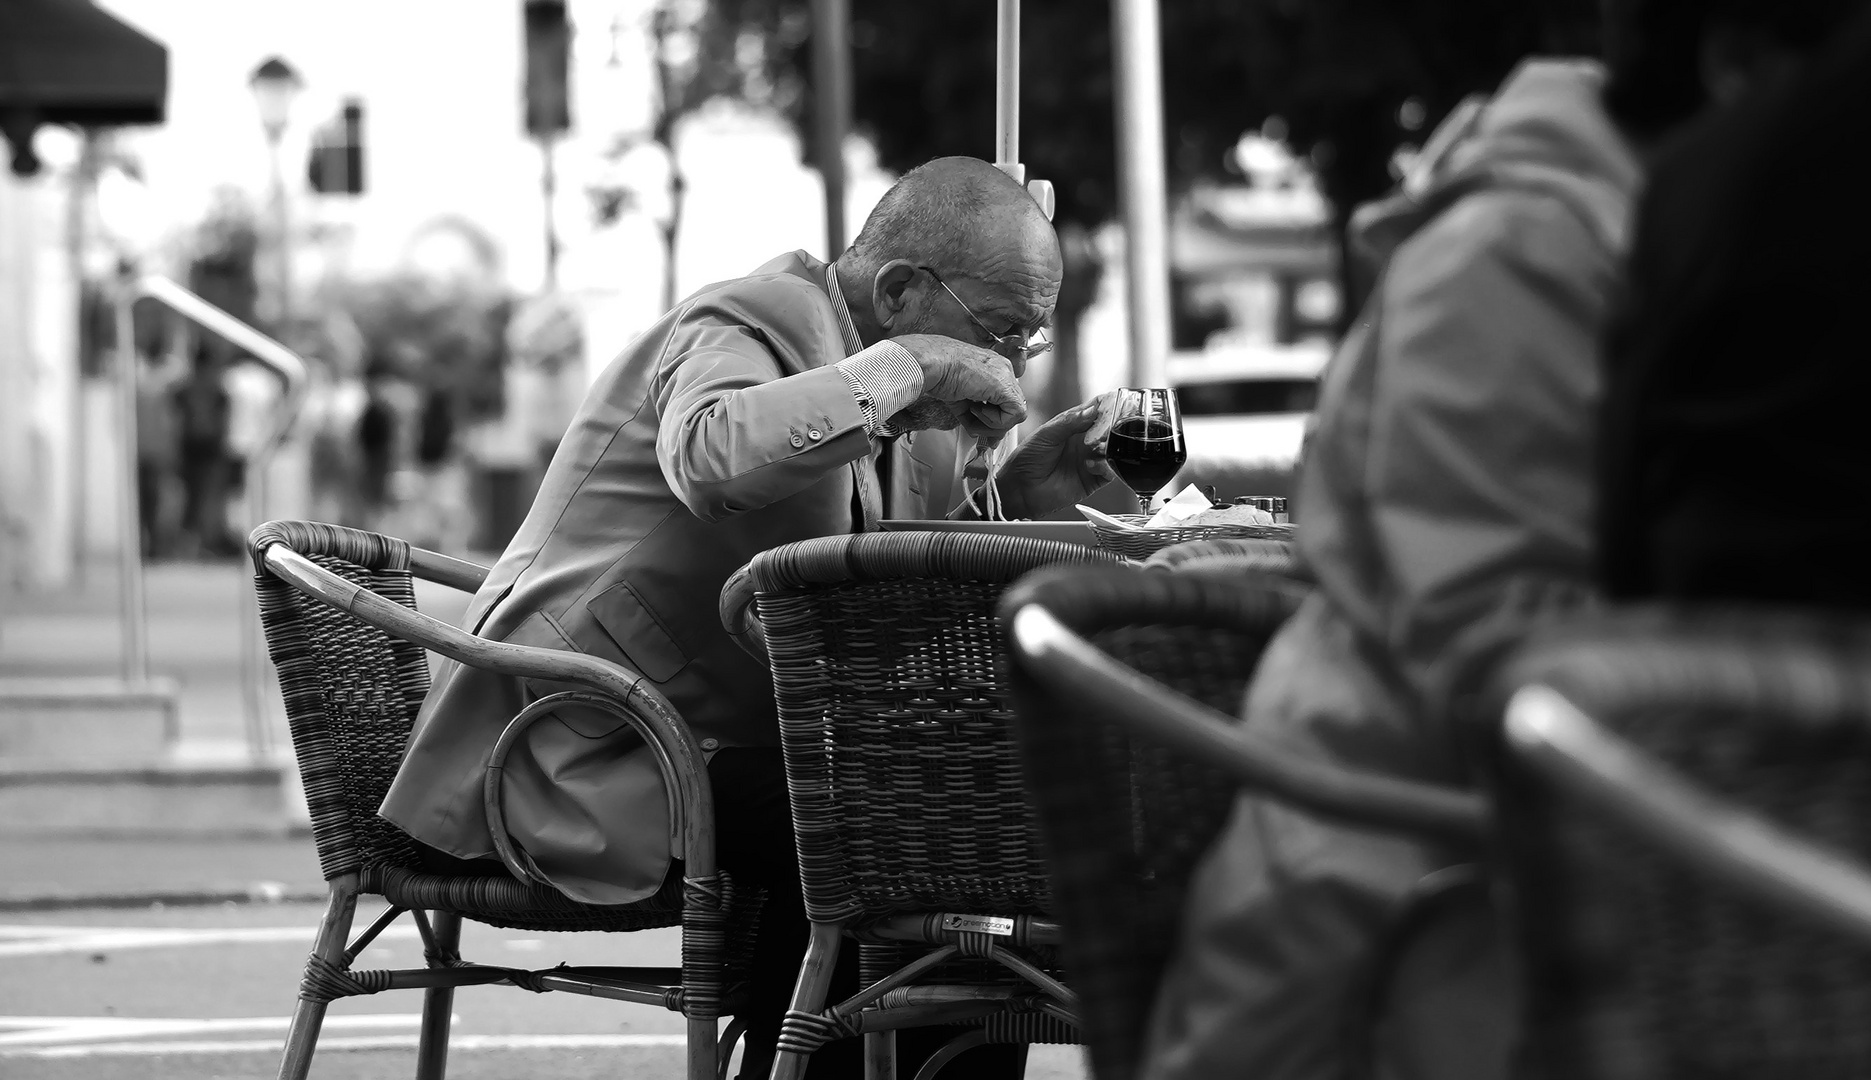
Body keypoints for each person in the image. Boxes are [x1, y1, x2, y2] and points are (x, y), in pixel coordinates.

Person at [1137, 4, 1867, 1077]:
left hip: (1554, 879)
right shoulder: (1521, 247)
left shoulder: (1652, 227)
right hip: (1410, 917)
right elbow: (1493, 644)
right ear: (1735, 66)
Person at [381, 156, 1116, 1078]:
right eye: (1000, 332)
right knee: (891, 834)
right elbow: (709, 454)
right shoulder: (745, 320)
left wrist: (1021, 494)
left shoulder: (908, 408)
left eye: (1024, 342)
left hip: (740, 747)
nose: (1005, 366)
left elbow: (888, 600)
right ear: (896, 292)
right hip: (581, 740)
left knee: (957, 823)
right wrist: (906, 367)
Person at [1597, 3, 1871, 609]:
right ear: (1732, 62)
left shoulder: (1685, 188)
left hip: (1712, 663)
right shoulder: (1526, 241)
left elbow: (1622, 547)